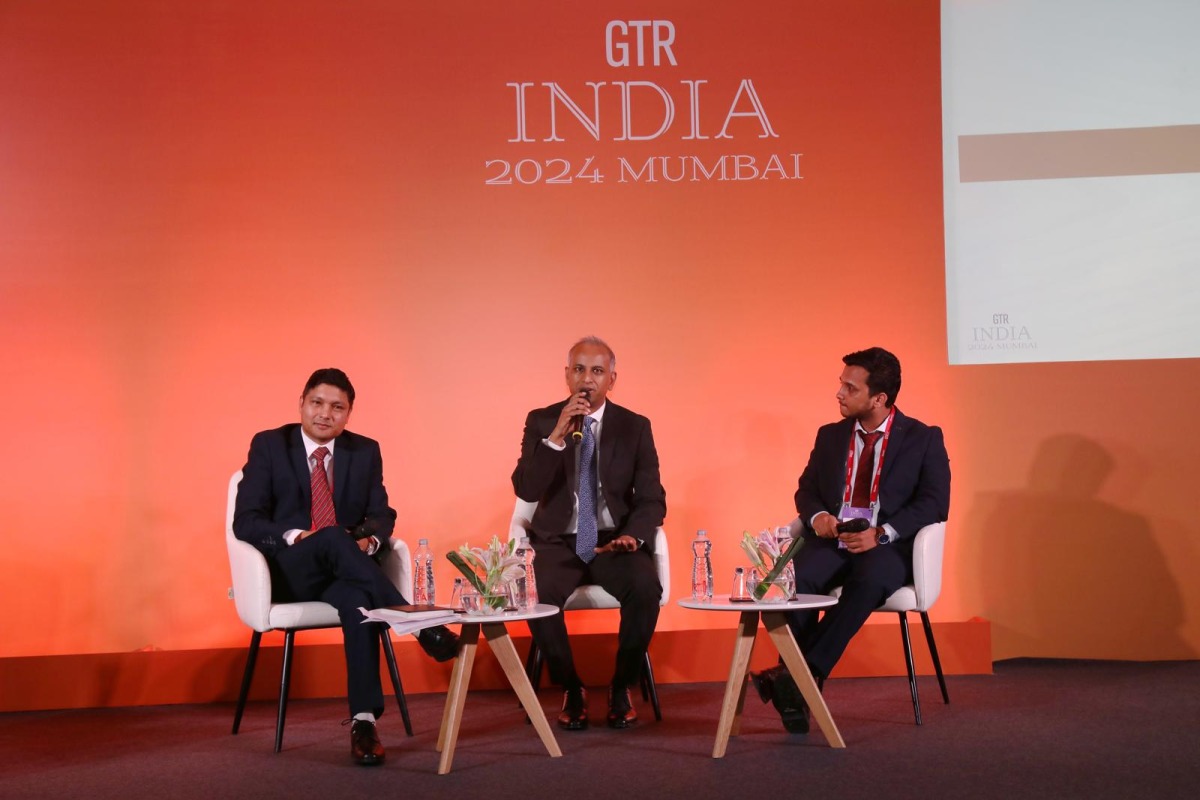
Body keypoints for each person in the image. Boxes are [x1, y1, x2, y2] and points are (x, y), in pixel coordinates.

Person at [232, 368, 459, 765]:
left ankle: (364, 722)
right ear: (301, 403)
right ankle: (420, 623)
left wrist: (370, 542)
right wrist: (298, 536)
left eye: (337, 407)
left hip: (344, 573)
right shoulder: (270, 445)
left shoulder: (363, 450)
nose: (325, 414)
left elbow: (381, 514)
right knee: (333, 536)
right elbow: (245, 521)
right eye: (317, 403)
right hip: (289, 571)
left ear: (349, 413)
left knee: (359, 601)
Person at [753, 347, 950, 733]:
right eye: (841, 384)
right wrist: (819, 517)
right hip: (833, 540)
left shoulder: (923, 438)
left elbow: (934, 502)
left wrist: (882, 533)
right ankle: (800, 684)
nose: (839, 394)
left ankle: (795, 676)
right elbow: (807, 490)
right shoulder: (830, 436)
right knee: (792, 579)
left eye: (850, 388)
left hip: (886, 546)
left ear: (879, 398)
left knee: (870, 580)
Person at [512, 337, 666, 731]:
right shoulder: (542, 420)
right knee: (535, 593)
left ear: (612, 379)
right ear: (567, 375)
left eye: (597, 371)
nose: (587, 379)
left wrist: (634, 537)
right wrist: (556, 438)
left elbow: (652, 499)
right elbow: (526, 489)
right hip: (557, 543)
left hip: (613, 541)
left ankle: (621, 685)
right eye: (579, 369)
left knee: (645, 588)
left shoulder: (635, 426)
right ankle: (572, 688)